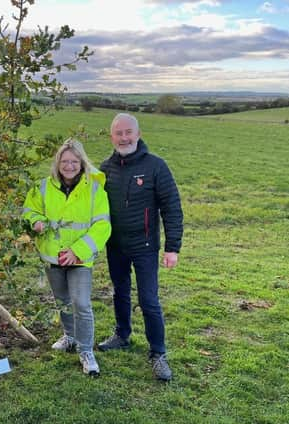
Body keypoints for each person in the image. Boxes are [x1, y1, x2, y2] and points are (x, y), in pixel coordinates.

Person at [98, 113, 183, 381]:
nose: (124, 138)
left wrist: (173, 247)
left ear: (138, 133)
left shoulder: (156, 166)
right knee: (119, 292)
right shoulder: (104, 169)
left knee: (149, 300)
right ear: (111, 136)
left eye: (128, 132)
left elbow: (172, 208)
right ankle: (122, 335)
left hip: (146, 245)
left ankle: (158, 353)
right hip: (116, 245)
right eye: (118, 133)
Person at [22, 139, 111, 376]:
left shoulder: (94, 189)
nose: (69, 166)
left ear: (81, 163)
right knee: (62, 301)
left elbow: (102, 225)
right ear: (57, 163)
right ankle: (70, 337)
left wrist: (77, 251)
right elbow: (28, 210)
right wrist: (35, 221)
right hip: (53, 257)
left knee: (81, 303)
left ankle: (86, 351)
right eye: (65, 161)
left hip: (80, 259)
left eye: (74, 161)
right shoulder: (42, 187)